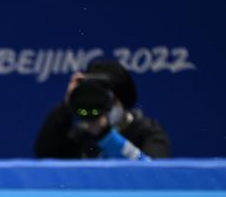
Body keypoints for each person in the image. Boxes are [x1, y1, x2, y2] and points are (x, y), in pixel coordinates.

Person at [35, 58, 170, 160]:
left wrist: (105, 135)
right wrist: (67, 104)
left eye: (107, 98)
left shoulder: (149, 132)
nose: (101, 106)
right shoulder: (81, 135)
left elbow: (153, 175)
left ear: (121, 101)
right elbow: (44, 154)